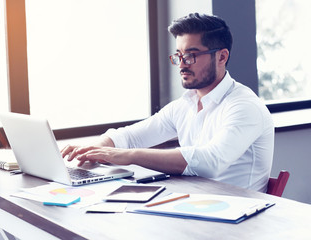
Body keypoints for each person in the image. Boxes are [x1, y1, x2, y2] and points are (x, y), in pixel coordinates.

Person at [61, 13, 274, 192]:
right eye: (178, 56)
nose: (181, 65)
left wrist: (128, 156)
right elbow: (130, 136)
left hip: (239, 219)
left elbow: (211, 162)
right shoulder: (185, 104)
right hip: (193, 205)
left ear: (221, 57)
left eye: (191, 56)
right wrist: (92, 150)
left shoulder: (244, 106)